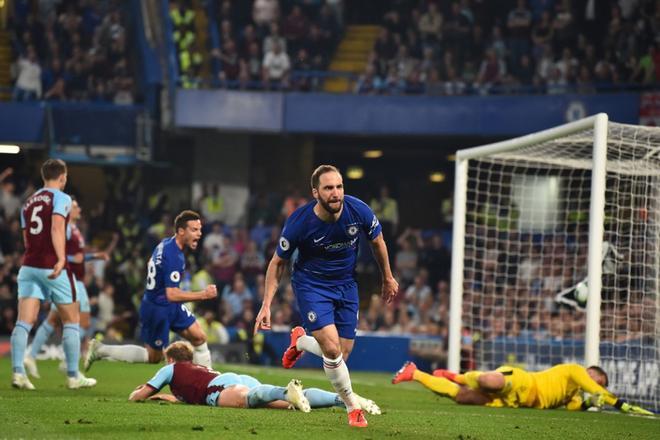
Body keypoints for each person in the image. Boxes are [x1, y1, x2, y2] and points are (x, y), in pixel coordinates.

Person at [254, 164, 399, 428]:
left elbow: (377, 242)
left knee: (342, 352)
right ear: (315, 193)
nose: (335, 193)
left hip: (346, 284)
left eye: (339, 187)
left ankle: (300, 342)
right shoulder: (299, 222)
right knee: (332, 350)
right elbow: (277, 263)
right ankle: (353, 409)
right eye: (328, 188)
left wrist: (387, 277)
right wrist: (266, 304)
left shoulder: (359, 211)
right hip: (312, 285)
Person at [84, 210, 218, 371]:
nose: (199, 234)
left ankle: (208, 381)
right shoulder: (174, 256)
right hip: (158, 309)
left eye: (200, 229)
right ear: (181, 231)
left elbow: (152, 263)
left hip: (168, 304)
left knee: (199, 337)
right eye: (194, 230)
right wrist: (203, 294)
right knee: (153, 357)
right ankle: (100, 350)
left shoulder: (166, 243)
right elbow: (172, 294)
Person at [11, 159, 96, 390]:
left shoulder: (28, 203)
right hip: (52, 266)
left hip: (29, 266)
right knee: (72, 320)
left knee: (23, 322)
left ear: (43, 176)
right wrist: (60, 258)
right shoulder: (62, 197)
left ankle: (18, 373)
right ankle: (72, 376)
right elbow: (57, 227)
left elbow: (27, 239)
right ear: (63, 177)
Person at [129, 341, 381, 415]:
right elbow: (186, 394)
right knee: (285, 403)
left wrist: (139, 394)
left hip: (216, 390)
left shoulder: (171, 369)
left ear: (171, 359)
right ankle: (344, 400)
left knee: (248, 400)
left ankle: (286, 391)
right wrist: (169, 397)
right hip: (232, 378)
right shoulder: (194, 370)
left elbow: (138, 396)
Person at [24, 198, 113, 378]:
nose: (78, 208)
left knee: (53, 320)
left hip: (73, 279)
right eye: (75, 206)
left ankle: (32, 355)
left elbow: (77, 256)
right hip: (71, 280)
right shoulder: (64, 228)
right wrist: (72, 260)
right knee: (83, 322)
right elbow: (59, 253)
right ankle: (67, 360)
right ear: (67, 210)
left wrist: (94, 256)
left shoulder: (74, 228)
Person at [392, 361, 654, 415]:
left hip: (516, 403)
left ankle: (415, 373)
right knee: (489, 381)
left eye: (601, 386)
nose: (597, 386)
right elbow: (593, 388)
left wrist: (587, 404)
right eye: (599, 381)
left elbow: (576, 406)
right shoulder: (577, 371)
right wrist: (620, 404)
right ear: (593, 374)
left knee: (463, 398)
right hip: (524, 381)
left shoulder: (573, 394)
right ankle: (460, 375)